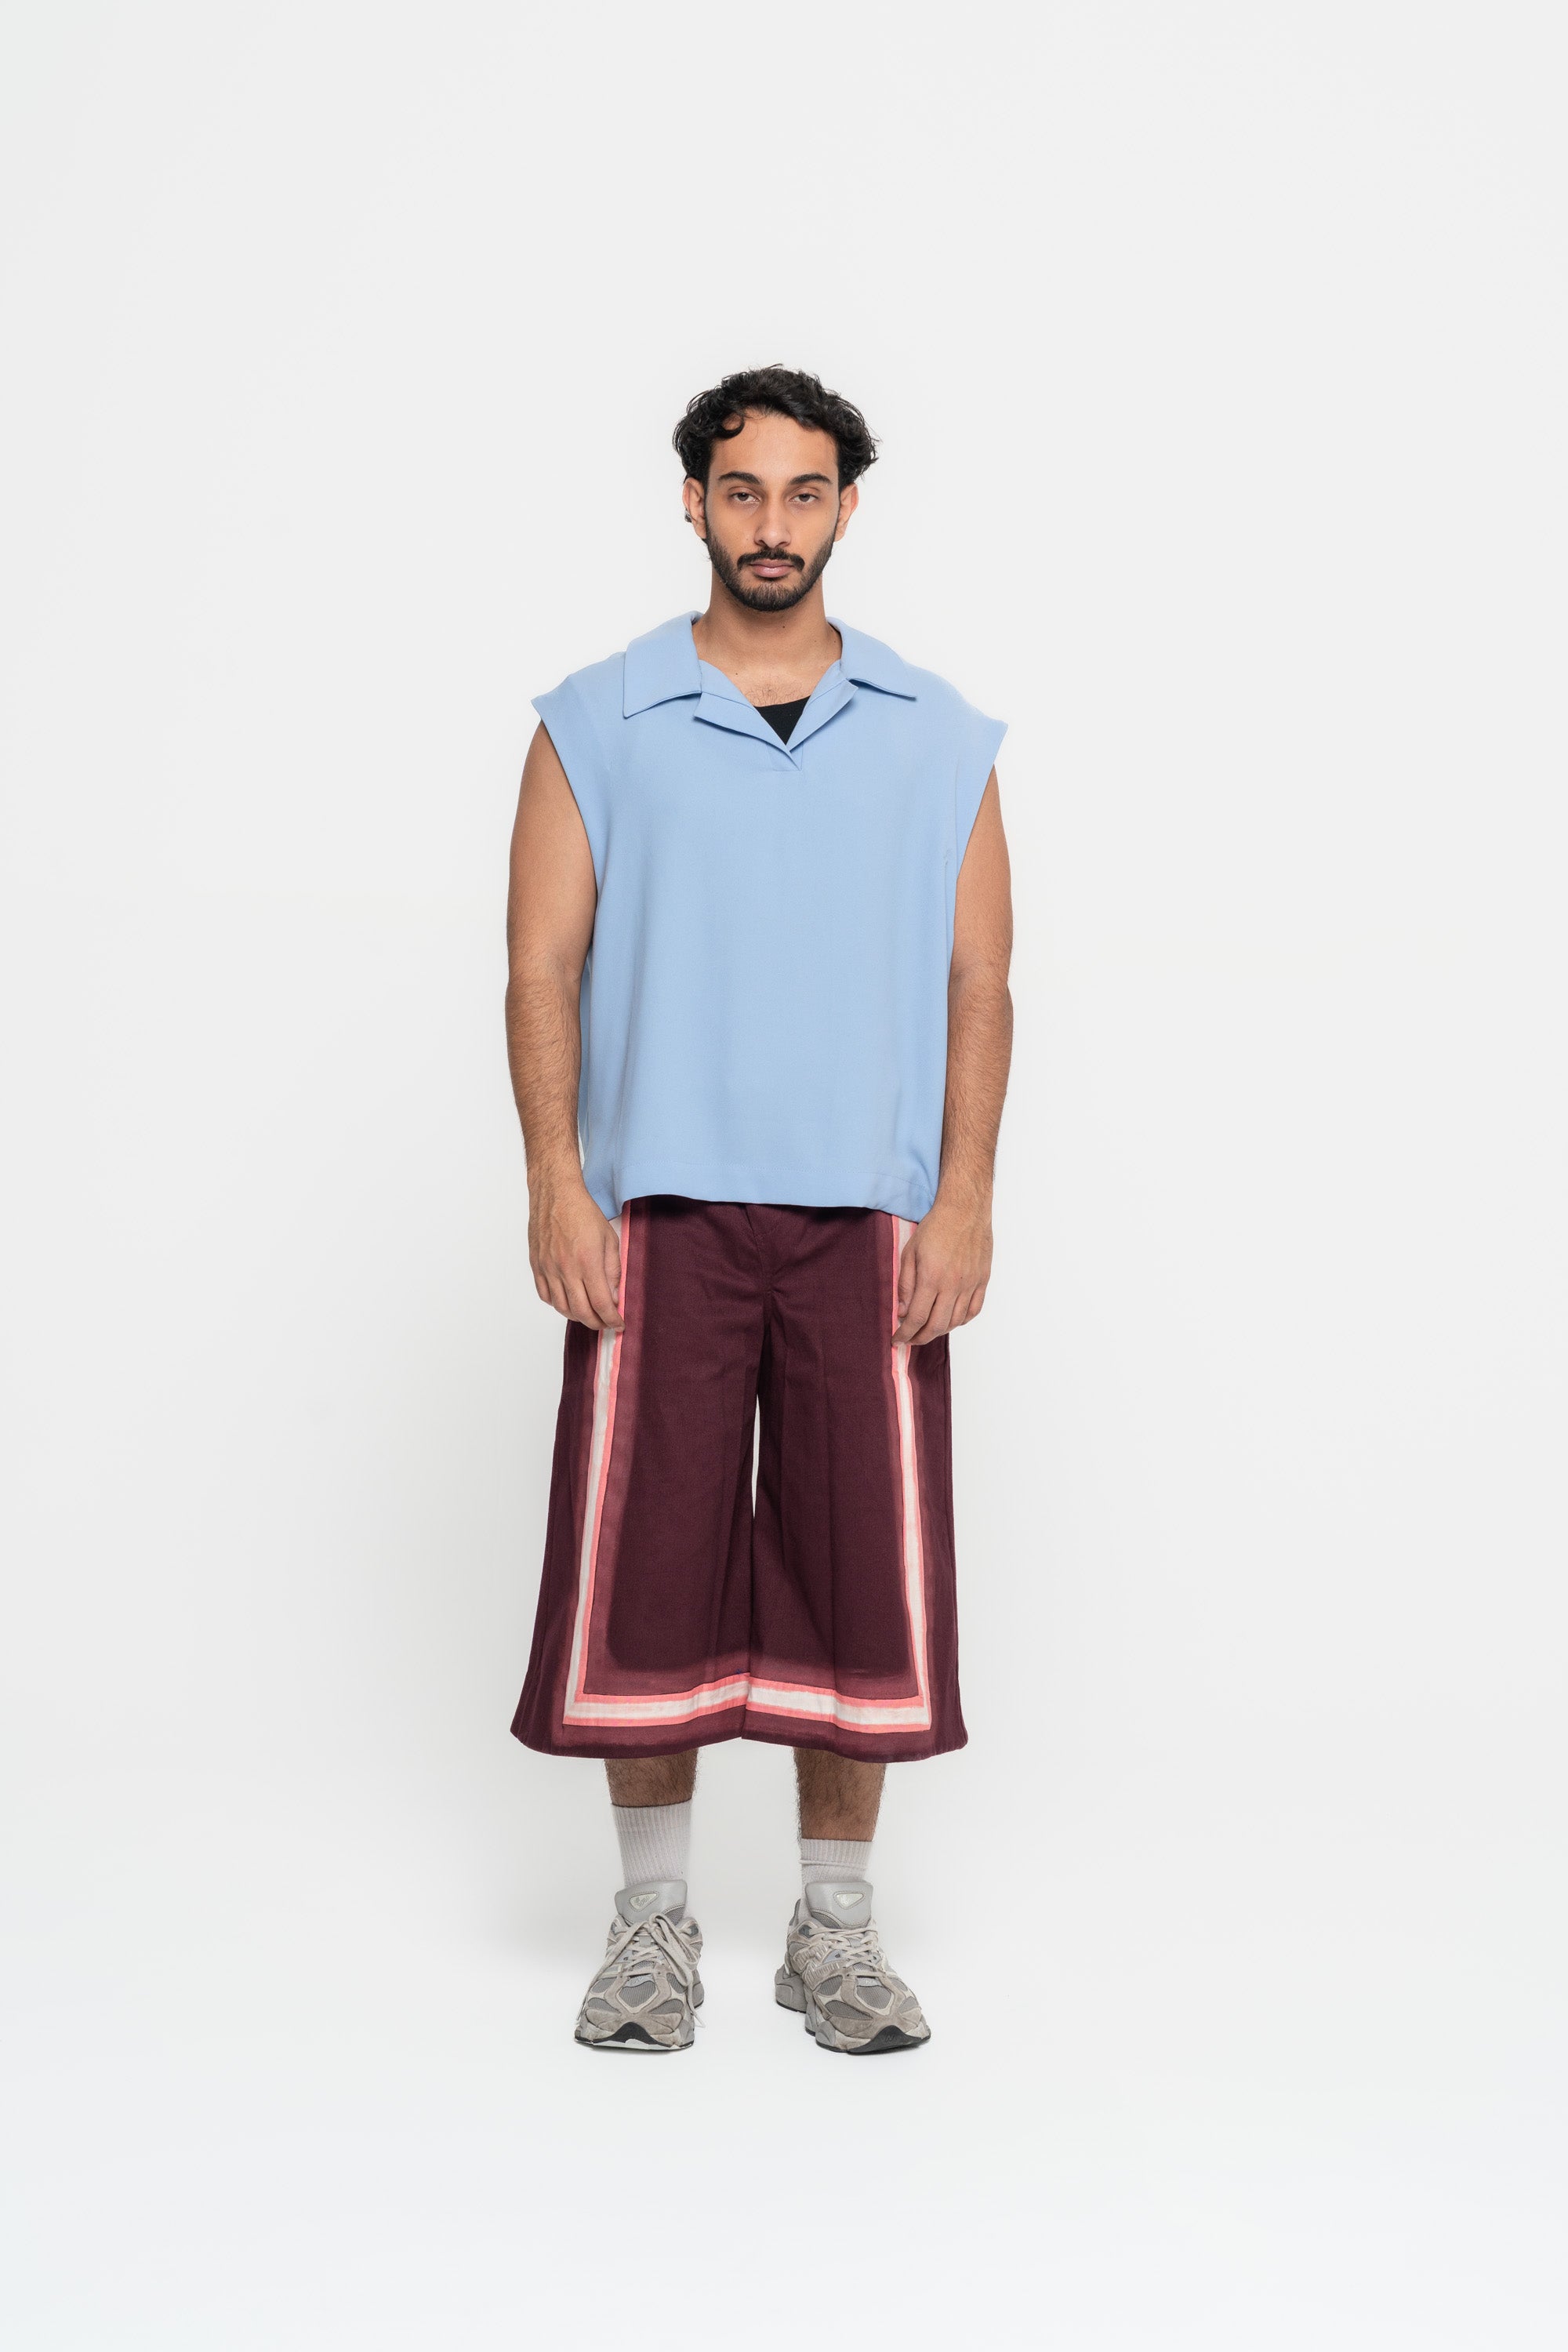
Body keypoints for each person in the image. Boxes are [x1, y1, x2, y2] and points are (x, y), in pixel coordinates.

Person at [505, 365, 1013, 2054]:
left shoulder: (936, 732)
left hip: (870, 1222)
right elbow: (540, 963)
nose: (772, 524)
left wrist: (965, 1200)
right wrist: (555, 1181)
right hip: (658, 1214)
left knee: (864, 1578)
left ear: (847, 508)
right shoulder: (600, 716)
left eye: (804, 493)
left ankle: (835, 1932)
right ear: (694, 501)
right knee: (642, 1565)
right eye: (743, 491)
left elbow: (980, 979)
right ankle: (652, 1926)